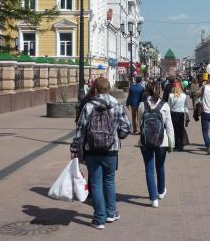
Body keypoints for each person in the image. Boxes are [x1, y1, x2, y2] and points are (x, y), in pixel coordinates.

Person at [71, 78, 131, 229]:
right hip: (111, 149)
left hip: (92, 150)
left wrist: (74, 148)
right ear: (109, 89)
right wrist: (117, 135)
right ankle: (111, 213)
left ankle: (99, 218)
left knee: (96, 183)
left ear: (95, 90)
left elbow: (80, 129)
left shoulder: (89, 106)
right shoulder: (116, 104)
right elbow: (127, 127)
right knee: (109, 181)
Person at [138, 81, 175, 208]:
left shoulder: (142, 105)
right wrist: (172, 142)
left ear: (147, 91)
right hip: (162, 141)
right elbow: (169, 126)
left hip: (145, 141)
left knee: (149, 169)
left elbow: (139, 123)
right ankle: (161, 191)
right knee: (160, 166)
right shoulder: (165, 106)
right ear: (160, 91)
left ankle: (153, 199)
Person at [168, 81, 190, 151]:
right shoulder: (184, 95)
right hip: (181, 114)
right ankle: (180, 145)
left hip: (173, 113)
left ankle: (174, 145)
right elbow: (186, 106)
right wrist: (187, 116)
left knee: (173, 129)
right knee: (180, 130)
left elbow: (169, 106)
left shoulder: (171, 95)